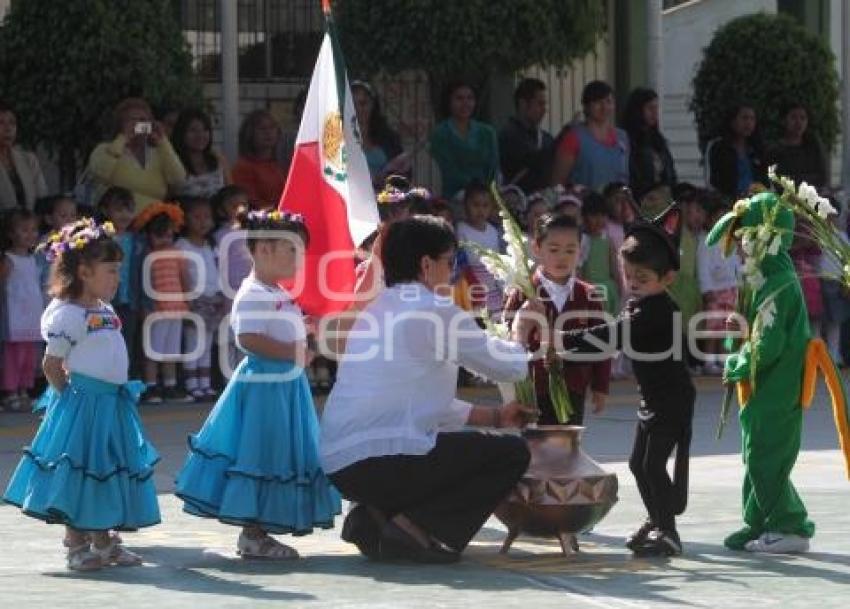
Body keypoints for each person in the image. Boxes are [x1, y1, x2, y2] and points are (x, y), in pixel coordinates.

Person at [321, 216, 533, 563]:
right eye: (449, 262)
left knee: (438, 447)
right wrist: (521, 332)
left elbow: (411, 398)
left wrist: (494, 416)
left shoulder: (374, 308)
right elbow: (506, 365)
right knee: (511, 453)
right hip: (385, 462)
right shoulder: (435, 310)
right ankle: (420, 529)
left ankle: (374, 515)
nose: (452, 272)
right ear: (425, 264)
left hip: (340, 466)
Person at [521, 207, 694, 556]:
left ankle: (668, 532)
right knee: (638, 464)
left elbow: (611, 335)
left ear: (667, 279)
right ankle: (657, 519)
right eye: (628, 275)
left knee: (652, 465)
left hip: (670, 400)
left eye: (641, 278)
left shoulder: (657, 309)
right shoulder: (642, 302)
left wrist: (561, 340)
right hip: (654, 399)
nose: (632, 284)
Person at [176, 207, 340, 559]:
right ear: (263, 250)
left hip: (284, 386)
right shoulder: (252, 293)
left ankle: (260, 528)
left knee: (277, 452)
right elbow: (247, 338)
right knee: (261, 453)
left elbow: (278, 327)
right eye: (291, 250)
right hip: (266, 386)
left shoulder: (275, 292)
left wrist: (302, 331)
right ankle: (253, 533)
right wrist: (291, 352)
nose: (299, 260)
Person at [3, 218, 160, 571]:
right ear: (85, 272)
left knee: (105, 471)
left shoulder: (103, 309)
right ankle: (76, 543)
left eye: (118, 271)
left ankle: (103, 540)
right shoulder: (68, 314)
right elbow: (51, 364)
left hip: (111, 405)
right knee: (81, 471)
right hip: (85, 407)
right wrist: (69, 399)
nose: (117, 278)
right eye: (111, 271)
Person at [705, 192, 817, 553]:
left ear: (763, 237)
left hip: (778, 384)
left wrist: (737, 362)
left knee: (766, 454)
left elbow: (768, 346)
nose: (739, 246)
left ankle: (790, 525)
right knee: (755, 451)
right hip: (765, 386)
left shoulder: (778, 281)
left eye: (744, 238)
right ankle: (758, 521)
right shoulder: (763, 277)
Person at [504, 213, 610, 425]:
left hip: (574, 385)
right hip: (533, 387)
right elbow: (507, 334)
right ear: (536, 248)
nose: (562, 257)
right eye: (554, 250)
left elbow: (602, 341)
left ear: (580, 251)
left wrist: (600, 387)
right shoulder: (524, 291)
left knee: (568, 445)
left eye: (570, 250)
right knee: (536, 449)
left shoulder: (589, 294)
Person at [132, 202, 194, 405]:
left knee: (171, 349)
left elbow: (185, 278)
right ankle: (151, 386)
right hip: (156, 311)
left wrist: (189, 299)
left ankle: (170, 385)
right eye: (159, 235)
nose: (164, 239)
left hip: (176, 309)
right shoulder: (147, 256)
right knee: (153, 350)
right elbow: (144, 283)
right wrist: (145, 308)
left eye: (168, 234)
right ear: (149, 235)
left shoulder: (177, 254)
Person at [87, 97, 187, 213]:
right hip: (118, 221)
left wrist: (163, 142)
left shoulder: (159, 153)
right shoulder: (105, 149)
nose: (139, 124)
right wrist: (123, 138)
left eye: (144, 120)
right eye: (132, 120)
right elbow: (99, 173)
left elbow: (179, 180)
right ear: (120, 124)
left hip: (154, 223)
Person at [176, 197, 225, 401]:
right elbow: (181, 275)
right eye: (197, 217)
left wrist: (221, 293)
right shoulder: (182, 245)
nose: (203, 222)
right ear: (186, 219)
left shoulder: (210, 245)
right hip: (195, 300)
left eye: (207, 217)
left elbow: (218, 268)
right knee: (193, 342)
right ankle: (191, 384)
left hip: (212, 299)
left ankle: (204, 384)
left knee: (206, 343)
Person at [552, 81, 629, 191]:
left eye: (609, 102)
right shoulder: (573, 138)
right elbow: (557, 184)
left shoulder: (622, 138)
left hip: (616, 204)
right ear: (586, 106)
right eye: (598, 102)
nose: (604, 107)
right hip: (584, 205)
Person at [0, 208, 42, 411]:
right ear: (10, 234)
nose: (31, 234)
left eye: (34, 230)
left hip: (32, 315)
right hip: (14, 316)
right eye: (24, 230)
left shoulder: (34, 259)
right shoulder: (8, 260)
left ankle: (25, 389)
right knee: (13, 355)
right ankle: (10, 392)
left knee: (29, 356)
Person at [98, 187, 143, 377]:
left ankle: (123, 380)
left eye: (129, 209)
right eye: (119, 209)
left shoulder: (138, 240)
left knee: (127, 342)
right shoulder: (100, 239)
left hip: (129, 301)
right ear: (106, 211)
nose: (125, 214)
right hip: (104, 302)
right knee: (103, 341)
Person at [429, 81, 499, 199]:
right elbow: (447, 170)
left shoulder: (487, 132)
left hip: (485, 195)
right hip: (453, 196)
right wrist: (472, 189)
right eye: (459, 98)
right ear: (449, 102)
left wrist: (486, 190)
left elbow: (493, 167)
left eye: (470, 98)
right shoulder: (440, 133)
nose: (465, 103)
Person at [697, 195, 740, 375]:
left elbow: (736, 264)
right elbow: (703, 267)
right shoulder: (706, 241)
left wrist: (740, 283)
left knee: (727, 328)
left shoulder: (731, 241)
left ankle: (723, 359)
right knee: (712, 327)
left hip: (730, 288)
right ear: (710, 220)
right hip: (714, 290)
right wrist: (706, 289)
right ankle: (708, 361)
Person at [455, 181, 504, 319]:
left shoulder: (493, 231)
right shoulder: (461, 229)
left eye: (485, 205)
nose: (480, 210)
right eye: (475, 205)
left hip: (493, 289)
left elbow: (498, 263)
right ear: (466, 206)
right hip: (471, 287)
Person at [351, 80, 410, 190]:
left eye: (363, 103)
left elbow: (404, 172)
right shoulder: (338, 137)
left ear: (373, 104)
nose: (358, 109)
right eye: (353, 105)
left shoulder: (387, 136)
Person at [499, 78, 554, 193]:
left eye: (544, 104)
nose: (544, 110)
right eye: (539, 104)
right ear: (523, 104)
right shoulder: (507, 136)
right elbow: (532, 159)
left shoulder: (546, 138)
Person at [621, 88, 677, 200]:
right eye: (650, 108)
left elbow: (670, 172)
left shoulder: (658, 140)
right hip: (641, 199)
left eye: (656, 108)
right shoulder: (626, 140)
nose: (655, 113)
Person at [706, 104, 767, 199]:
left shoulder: (756, 149)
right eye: (744, 118)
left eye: (752, 119)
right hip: (728, 202)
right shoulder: (718, 147)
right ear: (732, 121)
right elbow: (712, 181)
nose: (748, 123)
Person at [171, 108, 232, 198]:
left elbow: (231, 193)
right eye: (193, 130)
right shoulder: (172, 162)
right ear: (181, 133)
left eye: (205, 129)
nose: (200, 135)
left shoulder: (218, 158)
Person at [231, 109, 287, 206]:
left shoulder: (280, 163)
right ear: (250, 133)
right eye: (262, 128)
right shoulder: (243, 167)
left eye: (272, 127)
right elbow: (251, 202)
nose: (268, 132)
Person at [0, 100, 48, 211]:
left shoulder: (28, 159)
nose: (8, 129)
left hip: (31, 226)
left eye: (12, 123)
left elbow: (42, 198)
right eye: (1, 123)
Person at [766, 103, 827, 189]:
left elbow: (822, 177)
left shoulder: (813, 146)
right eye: (793, 117)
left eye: (803, 118)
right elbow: (776, 181)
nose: (798, 122)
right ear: (784, 120)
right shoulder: (775, 150)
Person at [580, 193, 619, 316]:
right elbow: (580, 270)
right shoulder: (582, 240)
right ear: (584, 217)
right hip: (591, 290)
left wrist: (618, 287)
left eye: (603, 215)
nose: (599, 220)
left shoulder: (607, 240)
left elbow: (614, 268)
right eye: (594, 215)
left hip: (609, 290)